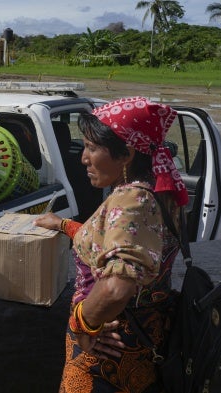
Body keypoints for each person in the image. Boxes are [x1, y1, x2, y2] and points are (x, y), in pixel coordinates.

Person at [34, 97, 189, 392]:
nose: (83, 158)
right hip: (144, 338)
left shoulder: (132, 200)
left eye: (92, 148)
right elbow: (117, 239)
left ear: (126, 154)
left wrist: (82, 324)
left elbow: (118, 286)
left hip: (108, 349)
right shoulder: (160, 190)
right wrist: (64, 225)